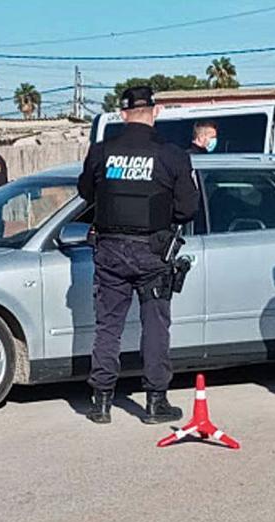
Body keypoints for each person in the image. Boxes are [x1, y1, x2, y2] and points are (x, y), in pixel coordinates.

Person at [78, 86, 200, 424]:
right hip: (152, 250)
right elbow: (188, 208)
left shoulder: (102, 151)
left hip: (110, 248)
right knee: (156, 326)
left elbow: (85, 192)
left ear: (122, 114)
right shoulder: (171, 154)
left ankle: (101, 402)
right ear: (155, 112)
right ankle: (155, 402)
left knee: (108, 327)